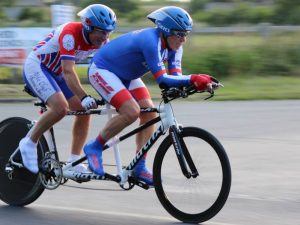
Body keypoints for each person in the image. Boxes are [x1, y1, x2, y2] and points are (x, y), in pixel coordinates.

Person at [84, 6, 219, 185]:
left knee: (150, 113)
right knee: (131, 111)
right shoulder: (150, 40)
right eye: (180, 34)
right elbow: (163, 80)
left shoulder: (175, 46)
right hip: (102, 70)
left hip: (127, 75)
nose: (184, 40)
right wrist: (194, 79)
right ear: (166, 30)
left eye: (186, 34)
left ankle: (139, 166)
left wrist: (196, 83)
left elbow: (176, 78)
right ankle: (94, 147)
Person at [19, 4, 117, 174]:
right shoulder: (70, 33)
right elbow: (68, 71)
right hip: (38, 67)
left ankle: (74, 160)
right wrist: (84, 96)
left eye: (108, 32)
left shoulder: (102, 42)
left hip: (57, 74)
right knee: (60, 108)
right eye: (101, 31)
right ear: (87, 26)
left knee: (83, 112)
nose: (105, 37)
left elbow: (104, 69)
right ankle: (29, 142)